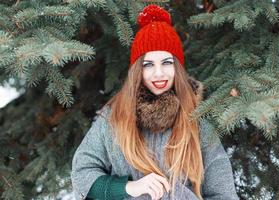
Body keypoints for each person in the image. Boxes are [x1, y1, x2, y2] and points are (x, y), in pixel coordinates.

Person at [71, 4, 239, 200]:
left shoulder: (197, 122)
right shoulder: (113, 119)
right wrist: (128, 188)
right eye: (148, 64)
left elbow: (224, 194)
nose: (158, 73)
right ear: (137, 71)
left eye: (167, 62)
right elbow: (81, 174)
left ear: (177, 67)